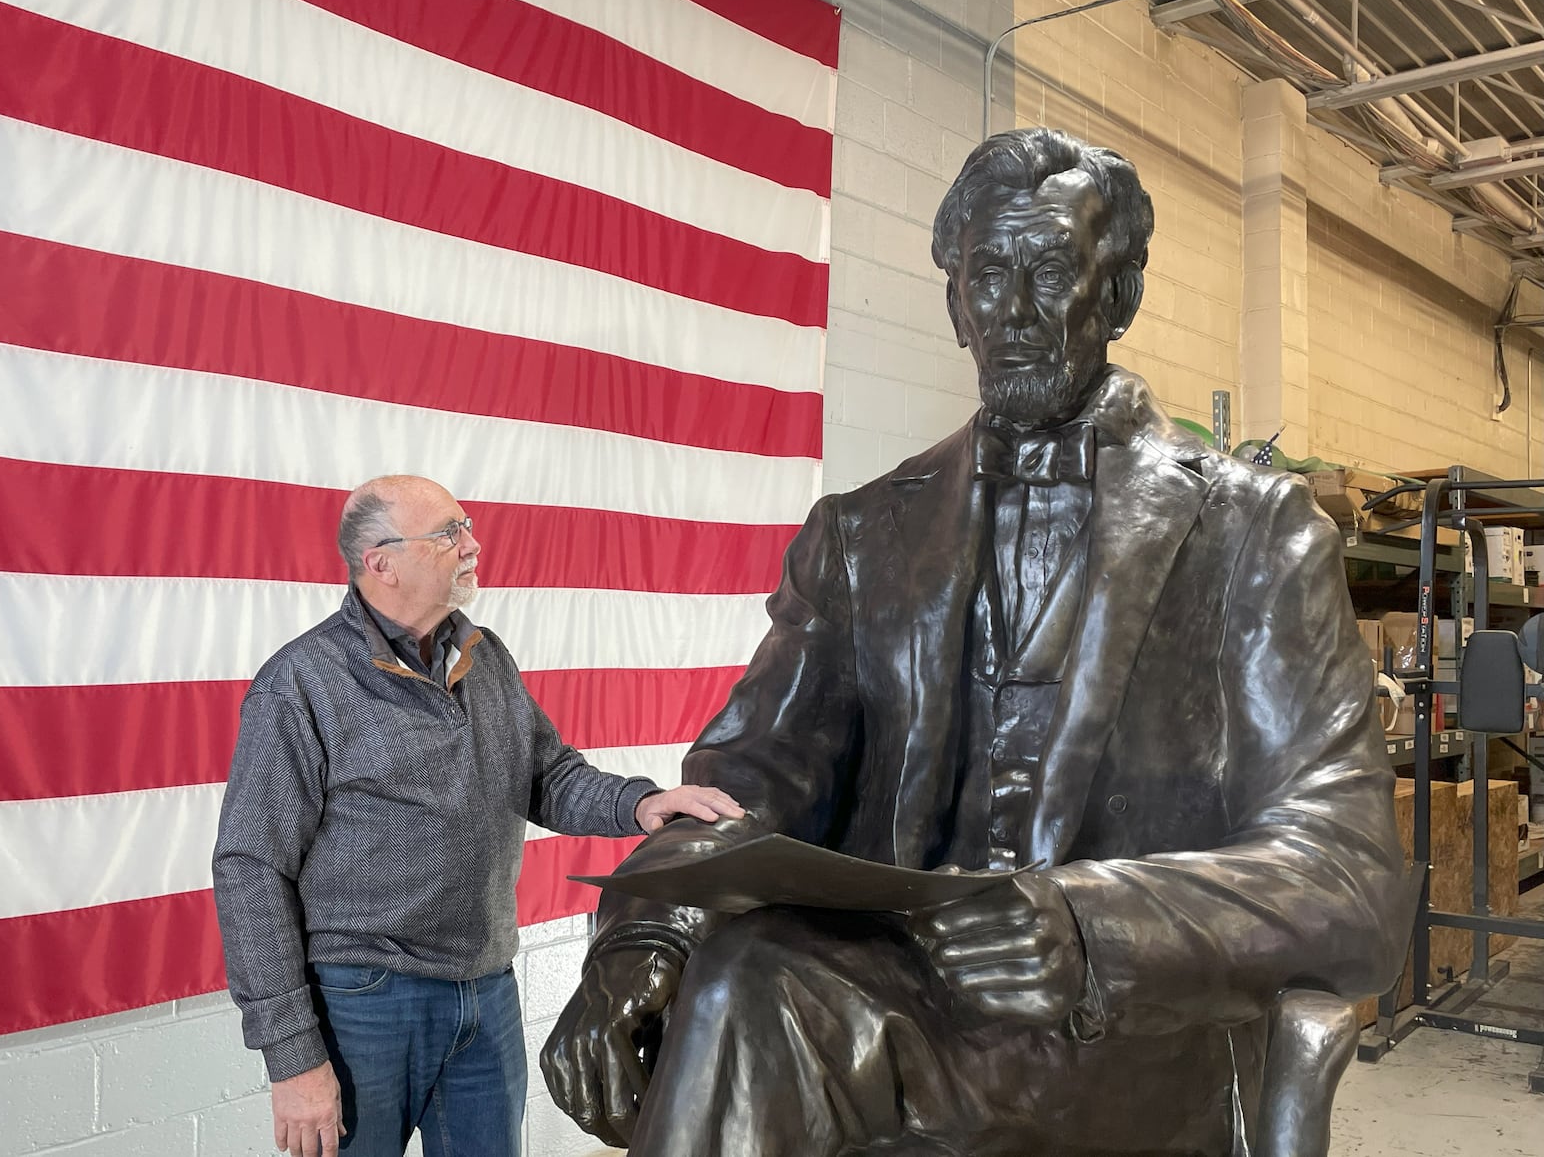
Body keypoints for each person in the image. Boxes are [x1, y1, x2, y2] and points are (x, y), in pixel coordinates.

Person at [541, 128, 1407, 1155]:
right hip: (904, 1013)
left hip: (1135, 1038)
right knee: (742, 973)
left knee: (751, 997)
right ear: (955, 304)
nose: (1017, 310)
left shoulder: (1257, 531)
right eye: (987, 274)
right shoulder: (862, 533)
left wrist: (1091, 925)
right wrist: (652, 927)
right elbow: (749, 778)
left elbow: (1346, 875)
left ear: (1118, 295)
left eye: (1052, 269)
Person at [212, 475, 742, 1157]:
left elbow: (549, 777)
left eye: (466, 526)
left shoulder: (485, 658)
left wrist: (642, 804)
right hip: (363, 1001)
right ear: (381, 562)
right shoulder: (301, 684)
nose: (473, 544)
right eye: (449, 533)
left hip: (485, 992)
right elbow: (250, 869)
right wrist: (292, 1057)